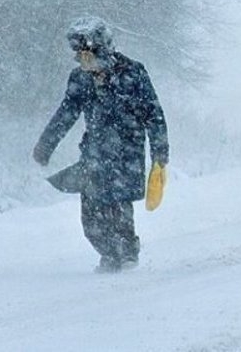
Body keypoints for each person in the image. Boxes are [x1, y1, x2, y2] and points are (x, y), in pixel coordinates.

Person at [33, 17, 168, 273]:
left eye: (88, 54)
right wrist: (46, 144)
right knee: (91, 215)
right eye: (79, 56)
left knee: (117, 206)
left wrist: (160, 154)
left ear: (103, 50)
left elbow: (154, 115)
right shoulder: (80, 79)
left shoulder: (133, 73)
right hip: (94, 154)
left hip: (127, 153)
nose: (84, 61)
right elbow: (66, 113)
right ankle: (108, 254)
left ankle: (127, 254)